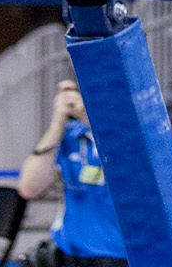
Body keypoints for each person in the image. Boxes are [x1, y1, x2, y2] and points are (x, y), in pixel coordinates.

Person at [17, 77, 127, 267]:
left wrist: (91, 119)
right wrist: (57, 121)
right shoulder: (71, 135)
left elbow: (131, 175)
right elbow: (29, 188)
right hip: (69, 256)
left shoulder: (131, 136)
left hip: (122, 256)